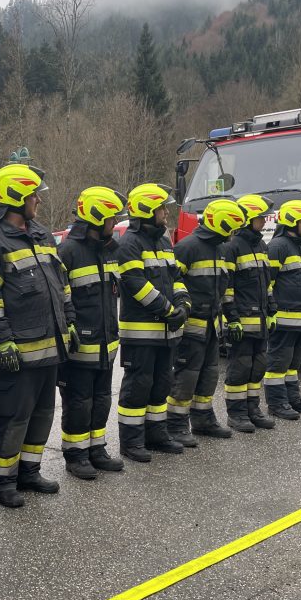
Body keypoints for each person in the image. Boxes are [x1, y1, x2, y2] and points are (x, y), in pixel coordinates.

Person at [0, 163, 76, 507]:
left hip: (51, 348)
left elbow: (61, 283)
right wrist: (2, 339)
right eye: (33, 195)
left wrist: (70, 321)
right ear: (16, 196)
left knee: (43, 414)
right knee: (12, 419)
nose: (38, 201)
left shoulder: (42, 234)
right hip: (16, 352)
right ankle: (2, 481)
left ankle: (29, 472)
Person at [115, 183, 190, 462]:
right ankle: (131, 441)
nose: (166, 213)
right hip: (141, 333)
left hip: (167, 331)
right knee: (138, 387)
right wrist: (169, 310)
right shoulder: (129, 244)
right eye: (161, 209)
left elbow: (175, 278)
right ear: (147, 210)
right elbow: (137, 285)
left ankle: (156, 434)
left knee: (161, 385)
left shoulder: (163, 241)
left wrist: (184, 304)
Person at [57, 186, 127, 478]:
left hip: (105, 345)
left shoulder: (110, 249)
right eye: (111, 218)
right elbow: (60, 297)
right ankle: (76, 455)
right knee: (79, 402)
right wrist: (70, 326)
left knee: (101, 399)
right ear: (97, 218)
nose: (115, 222)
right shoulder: (69, 251)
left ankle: (97, 449)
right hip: (80, 347)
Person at [167, 198, 247, 444]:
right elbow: (171, 283)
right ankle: (176, 424)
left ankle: (203, 419)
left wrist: (231, 318)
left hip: (212, 325)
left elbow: (224, 288)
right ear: (221, 224)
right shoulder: (187, 247)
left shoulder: (220, 249)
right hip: (191, 326)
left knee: (209, 374)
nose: (233, 235)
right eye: (231, 229)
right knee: (186, 376)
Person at [220, 194, 277, 432]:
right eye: (260, 217)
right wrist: (232, 319)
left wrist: (272, 310)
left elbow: (267, 284)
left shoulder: (261, 246)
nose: (264, 221)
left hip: (261, 320)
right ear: (247, 220)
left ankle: (253, 410)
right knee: (240, 368)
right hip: (241, 323)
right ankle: (236, 414)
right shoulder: (232, 247)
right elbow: (226, 288)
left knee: (258, 366)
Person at [264, 200, 301, 419]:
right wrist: (271, 310)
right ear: (292, 222)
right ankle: (277, 404)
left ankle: (292, 399)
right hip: (284, 319)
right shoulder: (278, 246)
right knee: (278, 363)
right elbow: (267, 283)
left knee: (293, 364)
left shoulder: (300, 246)